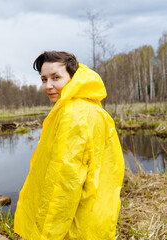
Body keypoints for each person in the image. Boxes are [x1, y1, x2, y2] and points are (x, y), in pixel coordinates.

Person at [14, 51, 125, 239]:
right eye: (43, 79)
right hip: (94, 212)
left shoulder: (73, 115)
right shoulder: (90, 108)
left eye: (55, 78)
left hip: (74, 223)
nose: (48, 86)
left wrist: (46, 235)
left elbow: (63, 183)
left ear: (73, 77)